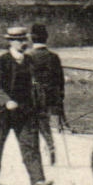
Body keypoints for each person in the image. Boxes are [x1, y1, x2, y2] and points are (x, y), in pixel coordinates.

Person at [0, 26, 50, 185]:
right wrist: (6, 101)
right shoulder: (1, 61)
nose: (23, 43)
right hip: (3, 111)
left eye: (24, 40)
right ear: (11, 42)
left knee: (30, 144)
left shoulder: (30, 61)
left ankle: (38, 180)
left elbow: (35, 83)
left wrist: (41, 100)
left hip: (24, 111)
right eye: (19, 40)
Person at [26, 23, 66, 166]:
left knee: (32, 124)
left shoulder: (28, 56)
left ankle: (37, 153)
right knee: (44, 121)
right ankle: (50, 145)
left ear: (31, 38)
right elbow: (60, 80)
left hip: (33, 96)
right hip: (51, 97)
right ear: (46, 38)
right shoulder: (54, 57)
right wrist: (60, 98)